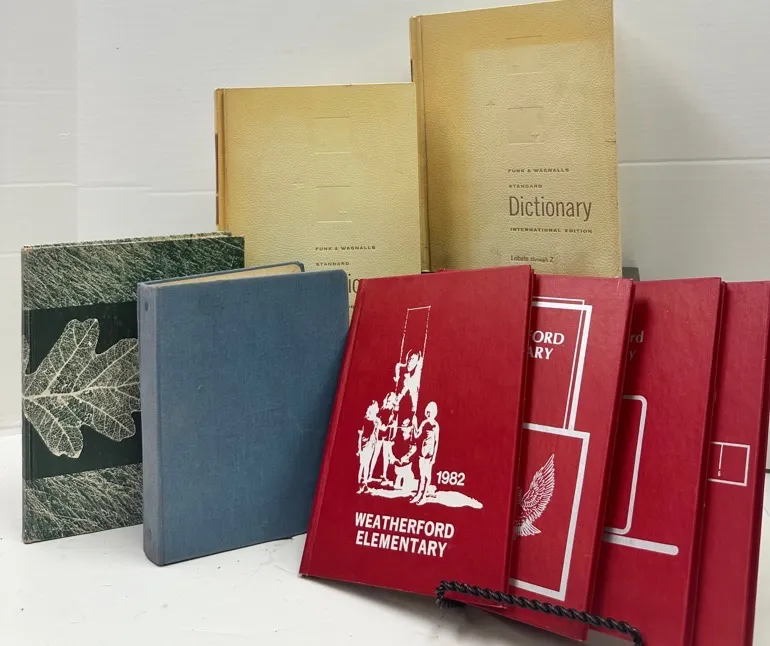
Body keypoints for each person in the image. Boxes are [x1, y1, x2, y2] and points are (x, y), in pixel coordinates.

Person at [412, 401, 439, 505]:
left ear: (434, 412)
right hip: (422, 452)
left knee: (427, 475)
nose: (428, 414)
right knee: (421, 475)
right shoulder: (424, 423)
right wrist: (415, 424)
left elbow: (436, 442)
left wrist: (434, 457)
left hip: (429, 453)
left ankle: (423, 497)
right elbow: (416, 435)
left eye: (430, 412)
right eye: (427, 412)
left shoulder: (435, 425)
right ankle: (418, 494)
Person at [356, 401, 379, 493]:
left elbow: (376, 434)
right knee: (362, 465)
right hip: (364, 446)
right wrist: (359, 449)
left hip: (371, 446)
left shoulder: (375, 422)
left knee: (367, 465)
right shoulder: (364, 421)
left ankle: (365, 484)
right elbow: (360, 437)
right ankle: (359, 484)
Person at [393, 350, 424, 418]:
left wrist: (419, 355)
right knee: (407, 384)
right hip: (407, 386)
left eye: (413, 359)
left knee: (411, 386)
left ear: (417, 362)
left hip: (413, 389)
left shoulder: (418, 371)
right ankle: (396, 405)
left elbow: (421, 361)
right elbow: (398, 365)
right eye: (410, 358)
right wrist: (397, 377)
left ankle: (413, 411)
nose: (410, 361)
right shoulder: (406, 367)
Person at [377, 392, 399, 484]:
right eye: (389, 398)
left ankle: (384, 475)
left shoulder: (394, 410)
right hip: (379, 434)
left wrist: (393, 435)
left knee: (386, 456)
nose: (390, 400)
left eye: (392, 399)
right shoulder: (382, 409)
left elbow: (395, 422)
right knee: (376, 454)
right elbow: (378, 419)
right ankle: (369, 475)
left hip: (387, 435)